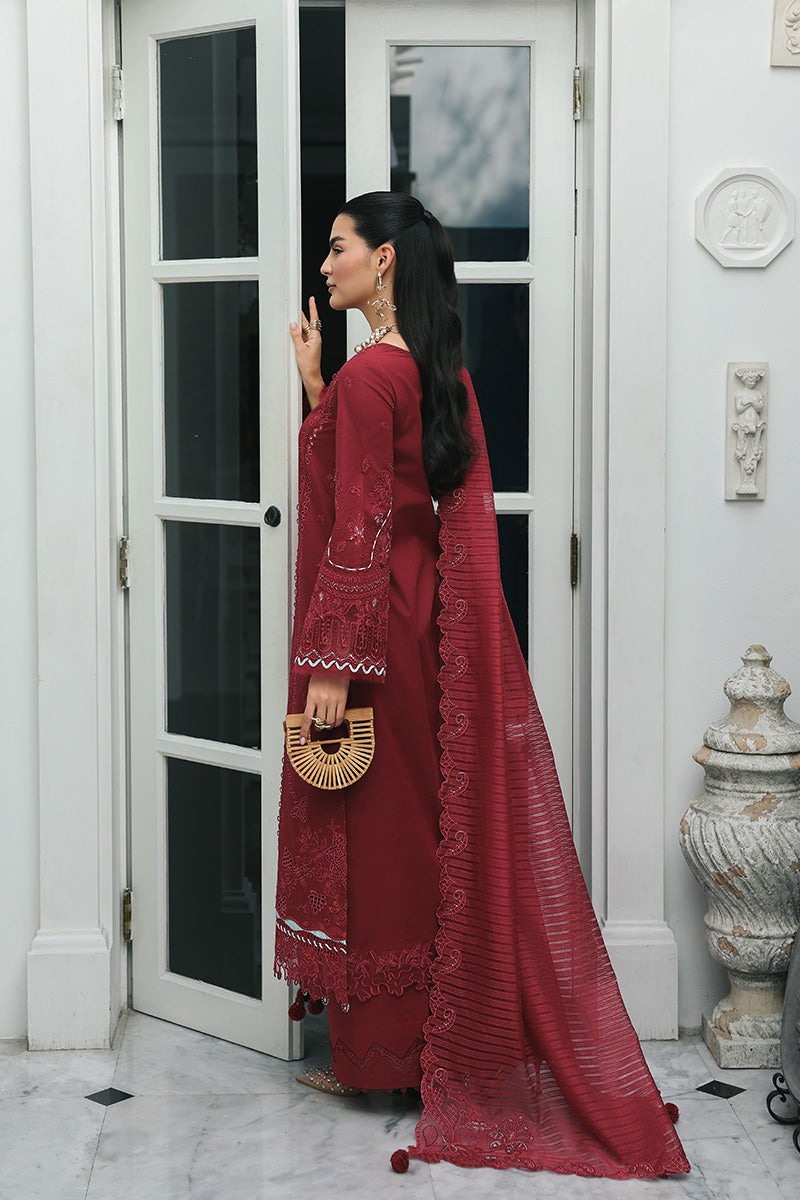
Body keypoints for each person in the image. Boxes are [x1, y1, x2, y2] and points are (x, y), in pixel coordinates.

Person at [275, 191, 690, 1179]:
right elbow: (399, 491)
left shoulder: (376, 376)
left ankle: (383, 1061)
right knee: (423, 830)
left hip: (374, 630)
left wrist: (331, 663)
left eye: (337, 248)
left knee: (381, 838)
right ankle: (429, 1050)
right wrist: (316, 386)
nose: (324, 265)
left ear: (382, 260)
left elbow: (360, 522)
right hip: (421, 621)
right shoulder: (425, 366)